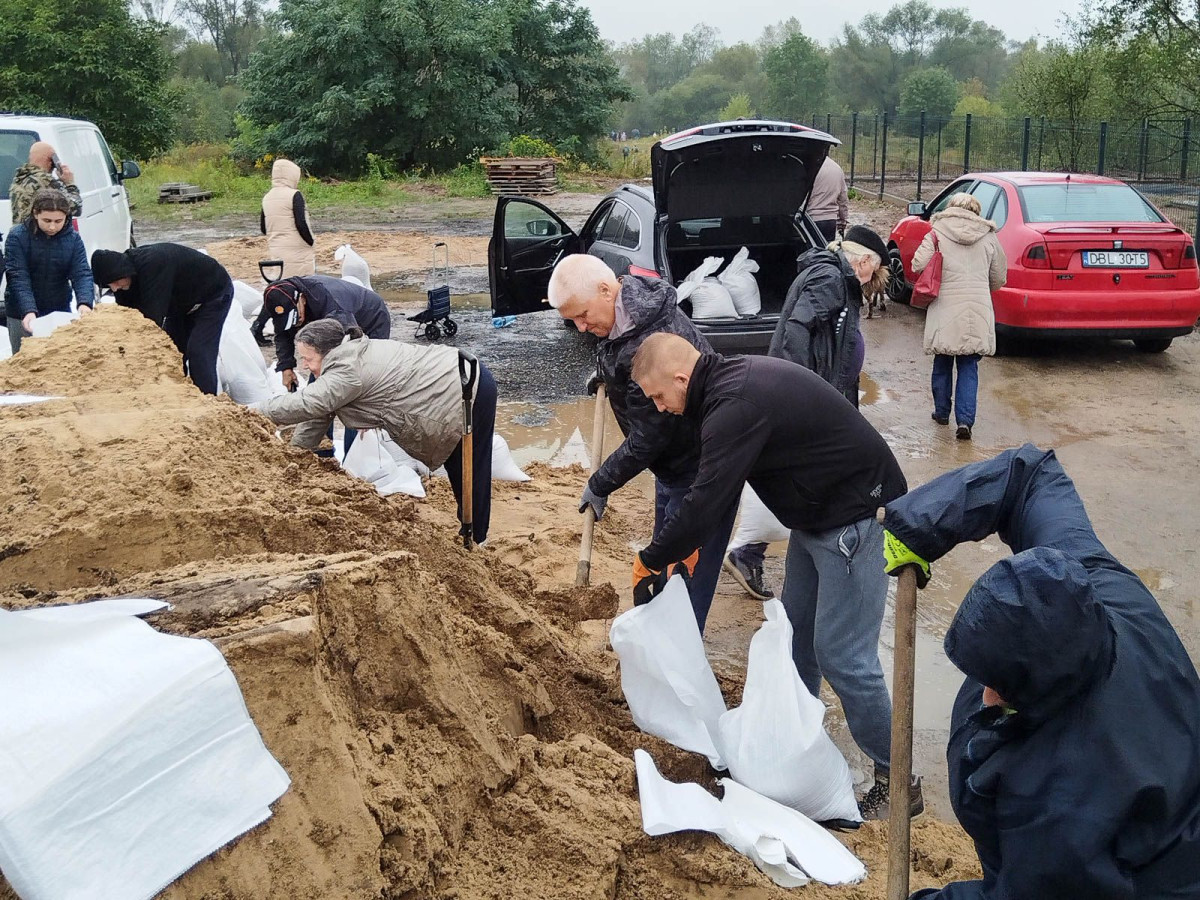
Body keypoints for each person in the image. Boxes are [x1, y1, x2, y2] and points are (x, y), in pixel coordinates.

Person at [884, 445, 1200, 899]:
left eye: (1000, 687)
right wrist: (922, 522)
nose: (985, 695)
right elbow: (1031, 476)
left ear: (1037, 689)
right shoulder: (1100, 589)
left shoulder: (1061, 800)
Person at [631, 333, 920, 821]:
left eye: (659, 396)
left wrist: (653, 557)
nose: (660, 408)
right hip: (814, 517)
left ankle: (898, 779)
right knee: (795, 640)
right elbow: (712, 487)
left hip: (854, 517)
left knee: (843, 656)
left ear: (681, 378)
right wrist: (686, 545)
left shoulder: (734, 405)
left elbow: (707, 499)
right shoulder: (723, 390)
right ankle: (797, 746)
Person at [547, 253, 737, 632]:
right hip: (672, 466)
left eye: (582, 316)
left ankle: (680, 656)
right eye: (572, 321)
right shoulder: (625, 313)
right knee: (664, 567)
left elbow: (649, 437)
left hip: (702, 471)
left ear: (606, 290)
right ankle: (660, 643)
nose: (581, 328)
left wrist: (600, 483)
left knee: (684, 585)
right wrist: (607, 375)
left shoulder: (654, 333)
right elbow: (619, 352)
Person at [725, 225, 890, 601]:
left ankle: (786, 556)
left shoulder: (836, 277)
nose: (870, 279)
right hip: (810, 400)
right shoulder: (830, 279)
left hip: (824, 398)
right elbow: (798, 328)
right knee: (802, 479)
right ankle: (750, 552)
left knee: (809, 477)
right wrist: (801, 391)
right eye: (873, 269)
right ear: (864, 260)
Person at [252, 318, 496, 544]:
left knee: (468, 468)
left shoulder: (347, 371)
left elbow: (307, 404)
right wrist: (293, 461)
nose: (304, 365)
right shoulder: (349, 354)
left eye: (308, 358)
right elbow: (317, 415)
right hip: (453, 372)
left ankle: (476, 539)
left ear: (328, 352)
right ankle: (471, 530)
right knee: (461, 467)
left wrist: (249, 412)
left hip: (462, 388)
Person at [912, 192, 1007, 441]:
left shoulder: (936, 232)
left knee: (942, 360)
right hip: (977, 308)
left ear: (951, 207)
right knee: (969, 365)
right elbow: (999, 277)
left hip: (944, 305)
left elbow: (917, 265)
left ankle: (942, 412)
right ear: (976, 212)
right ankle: (965, 421)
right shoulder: (989, 236)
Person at [262, 274, 392, 456]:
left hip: (369, 320)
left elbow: (351, 353)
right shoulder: (280, 298)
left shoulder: (332, 305)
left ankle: (353, 458)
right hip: (327, 328)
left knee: (352, 392)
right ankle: (322, 454)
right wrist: (286, 366)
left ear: (302, 299)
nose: (297, 322)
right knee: (318, 390)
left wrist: (366, 409)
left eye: (297, 317)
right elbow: (283, 333)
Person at [91, 243, 233, 395]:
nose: (114, 288)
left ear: (122, 271)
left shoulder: (153, 266)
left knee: (199, 351)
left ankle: (207, 400)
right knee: (173, 350)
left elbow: (151, 323)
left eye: (114, 282)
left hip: (212, 294)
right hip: (180, 303)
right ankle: (177, 395)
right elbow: (130, 319)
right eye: (109, 285)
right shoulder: (123, 283)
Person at [4, 189, 94, 354]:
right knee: (24, 360)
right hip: (21, 312)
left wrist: (85, 303)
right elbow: (18, 276)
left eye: (58, 221)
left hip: (58, 309)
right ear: (35, 214)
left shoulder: (73, 239)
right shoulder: (17, 236)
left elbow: (81, 273)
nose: (52, 226)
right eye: (47, 220)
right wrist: (28, 310)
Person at [260, 158, 315, 279]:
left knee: (283, 282)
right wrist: (311, 241)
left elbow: (264, 228)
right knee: (302, 283)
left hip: (276, 251)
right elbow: (301, 223)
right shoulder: (294, 194)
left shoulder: (267, 197)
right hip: (298, 251)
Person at [9, 142, 82, 225]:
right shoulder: (46, 181)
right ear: (51, 161)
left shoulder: (19, 179)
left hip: (21, 232)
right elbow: (76, 209)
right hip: (42, 232)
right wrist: (70, 184)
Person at [807, 155, 849, 244]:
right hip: (830, 220)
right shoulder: (837, 168)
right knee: (826, 249)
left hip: (811, 219)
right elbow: (843, 199)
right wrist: (842, 221)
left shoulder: (809, 166)